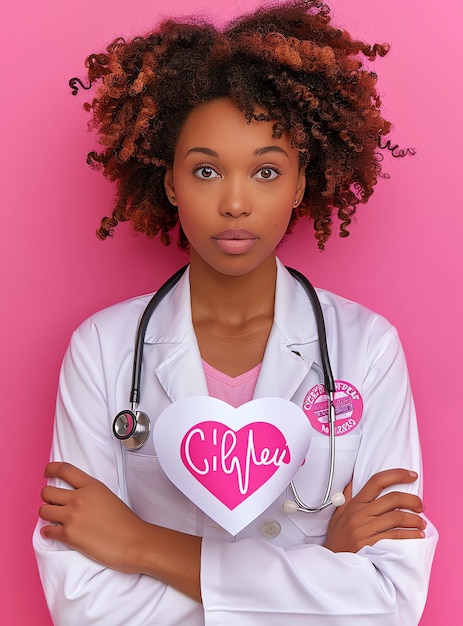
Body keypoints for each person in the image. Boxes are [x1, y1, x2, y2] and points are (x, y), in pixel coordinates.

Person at [33, 1, 437, 624]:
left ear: (302, 183)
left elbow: (389, 601)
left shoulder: (367, 349)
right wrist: (320, 565)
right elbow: (84, 605)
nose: (236, 202)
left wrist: (144, 546)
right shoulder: (103, 350)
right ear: (170, 182)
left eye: (268, 170)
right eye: (206, 171)